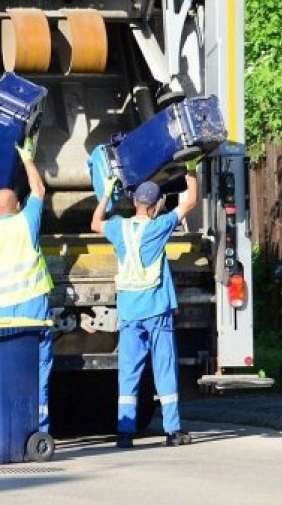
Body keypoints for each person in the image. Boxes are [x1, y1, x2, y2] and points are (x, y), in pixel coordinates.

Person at [90, 158, 201, 448]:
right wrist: (191, 169)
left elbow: (94, 223)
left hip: (129, 311)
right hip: (156, 310)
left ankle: (124, 432)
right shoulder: (159, 227)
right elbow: (190, 202)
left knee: (129, 371)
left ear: (136, 203)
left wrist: (106, 192)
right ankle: (173, 430)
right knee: (163, 367)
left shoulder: (119, 228)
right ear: (155, 205)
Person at [0, 136, 54, 433]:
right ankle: (39, 431)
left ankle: (10, 427)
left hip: (4, 313)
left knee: (8, 370)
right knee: (38, 370)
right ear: (18, 205)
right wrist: (27, 159)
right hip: (34, 306)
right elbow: (39, 189)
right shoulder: (27, 221)